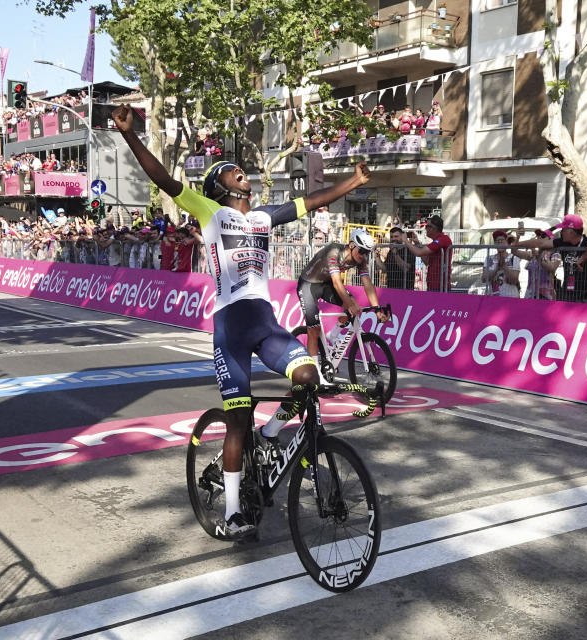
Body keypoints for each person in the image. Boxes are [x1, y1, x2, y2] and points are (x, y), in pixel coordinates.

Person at [113, 104, 372, 538]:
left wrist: (353, 182)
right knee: (236, 421)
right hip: (230, 328)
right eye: (233, 171)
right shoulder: (210, 211)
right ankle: (233, 512)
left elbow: (311, 202)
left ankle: (271, 430)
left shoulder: (262, 217)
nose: (243, 174)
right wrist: (129, 135)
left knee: (309, 375)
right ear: (219, 184)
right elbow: (162, 178)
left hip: (265, 322)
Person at [296, 229, 388, 381]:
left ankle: (333, 334)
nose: (364, 255)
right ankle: (316, 375)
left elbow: (368, 284)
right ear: (351, 245)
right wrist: (348, 303)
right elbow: (337, 283)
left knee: (354, 306)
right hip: (308, 284)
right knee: (314, 329)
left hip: (325, 284)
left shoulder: (360, 260)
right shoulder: (334, 251)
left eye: (367, 253)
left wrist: (377, 309)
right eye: (362, 251)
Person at [513, 214, 587, 303]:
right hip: (567, 294)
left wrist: (582, 258)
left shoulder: (586, 241)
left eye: (563, 229)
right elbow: (541, 243)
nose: (561, 232)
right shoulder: (562, 242)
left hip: (584, 296)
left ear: (571, 231)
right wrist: (517, 244)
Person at [403, 214, 451, 291]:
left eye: (427, 226)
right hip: (432, 284)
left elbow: (419, 253)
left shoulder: (442, 239)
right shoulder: (437, 241)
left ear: (434, 228)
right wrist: (417, 244)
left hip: (440, 286)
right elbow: (427, 261)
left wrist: (406, 241)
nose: (425, 229)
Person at [514, 229, 561, 300]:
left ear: (551, 239)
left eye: (542, 236)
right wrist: (517, 237)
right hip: (530, 294)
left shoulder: (555, 254)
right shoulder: (532, 254)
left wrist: (539, 257)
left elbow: (552, 268)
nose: (539, 238)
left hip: (546, 296)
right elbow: (514, 251)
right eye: (538, 236)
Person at [481, 230, 521, 297]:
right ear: (494, 244)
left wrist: (505, 266)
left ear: (507, 243)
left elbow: (514, 280)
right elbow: (484, 279)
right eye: (497, 241)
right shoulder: (489, 258)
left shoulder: (514, 258)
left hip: (511, 298)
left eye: (502, 240)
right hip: (493, 298)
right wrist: (496, 268)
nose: (499, 242)